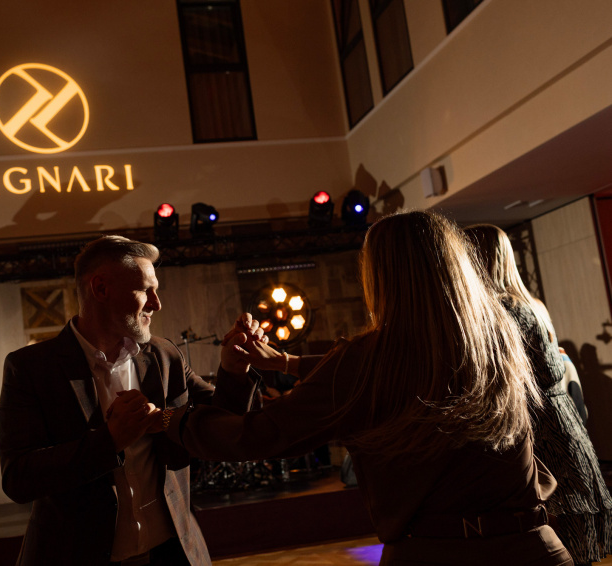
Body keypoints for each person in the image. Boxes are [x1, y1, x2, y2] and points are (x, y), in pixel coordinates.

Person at [156, 211, 573, 565]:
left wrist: (167, 419)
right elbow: (406, 374)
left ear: (381, 275)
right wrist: (285, 362)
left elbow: (257, 436)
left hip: (440, 553)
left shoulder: (367, 361)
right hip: (536, 548)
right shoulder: (498, 341)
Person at [0, 235, 260, 566]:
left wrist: (233, 370)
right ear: (101, 289)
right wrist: (110, 440)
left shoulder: (164, 355)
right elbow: (18, 479)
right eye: (145, 290)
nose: (156, 303)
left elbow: (225, 425)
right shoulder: (31, 368)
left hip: (172, 554)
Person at [466, 223, 612, 565]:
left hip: (541, 426)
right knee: (569, 533)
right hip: (557, 421)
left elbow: (541, 374)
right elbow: (553, 369)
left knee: (554, 530)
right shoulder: (529, 304)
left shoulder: (501, 311)